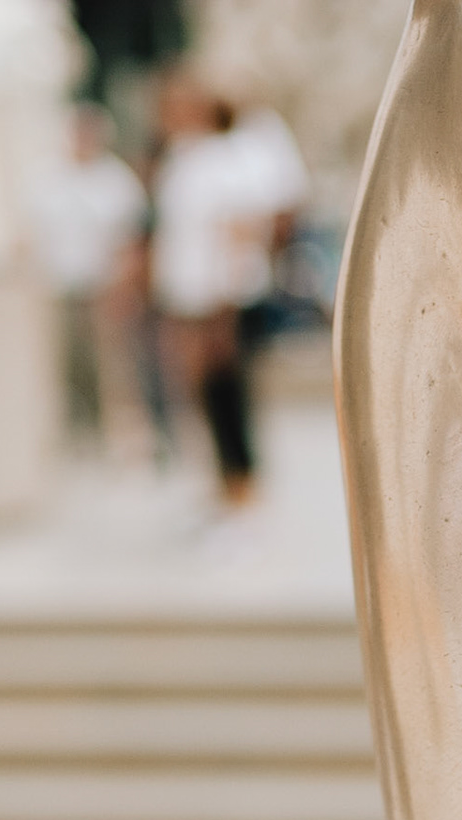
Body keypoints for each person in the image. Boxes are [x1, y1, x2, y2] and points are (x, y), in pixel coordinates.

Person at [150, 75, 307, 507]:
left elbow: (241, 232)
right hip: (189, 302)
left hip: (221, 305)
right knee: (204, 400)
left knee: (229, 401)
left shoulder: (229, 157)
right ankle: (222, 490)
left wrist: (225, 306)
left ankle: (243, 497)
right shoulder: (182, 159)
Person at [27, 103, 150, 453]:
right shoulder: (46, 177)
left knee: (108, 367)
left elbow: (130, 240)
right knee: (64, 364)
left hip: (101, 287)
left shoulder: (115, 180)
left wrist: (123, 287)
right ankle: (70, 434)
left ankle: (106, 436)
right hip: (57, 288)